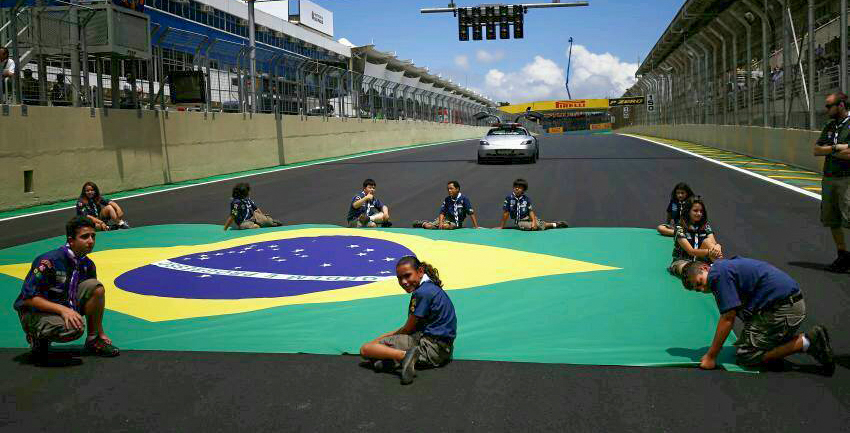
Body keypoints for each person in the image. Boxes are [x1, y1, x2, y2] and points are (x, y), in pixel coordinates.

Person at [681, 257, 834, 375]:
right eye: (697, 289)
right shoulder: (722, 267)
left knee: (746, 356)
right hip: (785, 303)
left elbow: (728, 318)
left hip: (785, 308)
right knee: (745, 335)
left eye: (700, 282)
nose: (702, 289)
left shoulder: (717, 275)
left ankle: (808, 341)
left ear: (704, 267)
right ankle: (774, 347)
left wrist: (711, 356)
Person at [13, 216, 120, 365]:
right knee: (75, 328)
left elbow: (93, 300)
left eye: (93, 236)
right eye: (85, 237)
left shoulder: (87, 265)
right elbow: (29, 297)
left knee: (96, 288)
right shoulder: (49, 261)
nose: (91, 241)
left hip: (63, 304)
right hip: (34, 311)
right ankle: (37, 337)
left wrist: (100, 332)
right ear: (71, 240)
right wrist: (63, 310)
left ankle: (94, 340)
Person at [359, 256, 456, 385]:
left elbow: (407, 329)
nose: (403, 282)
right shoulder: (431, 287)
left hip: (430, 349)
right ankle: (392, 361)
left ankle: (404, 357)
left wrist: (378, 340)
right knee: (379, 354)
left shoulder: (422, 293)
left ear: (420, 271)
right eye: (400, 278)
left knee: (366, 349)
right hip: (445, 351)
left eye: (407, 276)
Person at [813, 92, 850, 272]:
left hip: (846, 179)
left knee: (848, 218)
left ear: (841, 105)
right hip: (829, 177)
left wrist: (829, 151)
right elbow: (816, 150)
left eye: (829, 106)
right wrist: (836, 148)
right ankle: (842, 254)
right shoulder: (830, 125)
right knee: (832, 219)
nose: (826, 109)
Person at [668, 197, 722, 277]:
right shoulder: (680, 228)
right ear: (688, 211)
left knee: (708, 242)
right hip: (682, 261)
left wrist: (718, 246)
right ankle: (708, 271)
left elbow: (713, 243)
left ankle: (722, 270)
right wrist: (710, 252)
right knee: (689, 271)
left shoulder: (705, 226)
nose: (699, 213)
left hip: (699, 259)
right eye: (695, 211)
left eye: (701, 211)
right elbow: (691, 251)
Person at [497, 178, 568, 230]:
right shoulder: (509, 198)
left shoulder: (526, 199)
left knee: (537, 224)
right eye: (515, 187)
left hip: (529, 218)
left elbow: (530, 211)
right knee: (535, 227)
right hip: (520, 221)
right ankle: (554, 224)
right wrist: (501, 226)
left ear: (524, 190)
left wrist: (533, 221)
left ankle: (556, 224)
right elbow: (506, 213)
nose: (517, 188)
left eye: (519, 187)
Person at [413, 181, 481, 230]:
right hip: (446, 219)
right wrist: (440, 222)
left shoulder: (464, 199)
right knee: (428, 227)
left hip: (455, 222)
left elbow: (471, 213)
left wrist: (476, 226)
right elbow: (442, 212)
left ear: (457, 189)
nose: (449, 190)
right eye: (448, 189)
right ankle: (423, 223)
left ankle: (443, 225)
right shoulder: (447, 199)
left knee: (445, 226)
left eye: (451, 188)